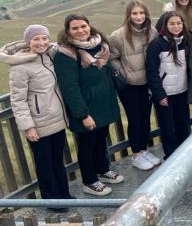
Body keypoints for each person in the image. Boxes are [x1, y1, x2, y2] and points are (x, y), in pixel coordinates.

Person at [1, 25, 73, 206]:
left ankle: (64, 195)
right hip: (38, 125)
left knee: (57, 160)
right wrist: (28, 127)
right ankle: (52, 201)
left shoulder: (49, 56)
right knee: (44, 164)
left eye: (44, 38)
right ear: (28, 42)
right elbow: (18, 100)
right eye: (36, 39)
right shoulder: (20, 66)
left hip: (56, 120)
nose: (41, 42)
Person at [54, 14, 124, 196]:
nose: (80, 31)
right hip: (86, 108)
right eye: (75, 28)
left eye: (83, 26)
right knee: (87, 144)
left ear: (89, 27)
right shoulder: (66, 54)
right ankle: (89, 180)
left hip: (102, 104)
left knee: (101, 139)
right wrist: (83, 114)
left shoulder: (99, 46)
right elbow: (70, 88)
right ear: (67, 31)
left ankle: (103, 169)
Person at [108, 0, 159, 171]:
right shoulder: (118, 36)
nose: (139, 16)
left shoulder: (152, 31)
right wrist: (123, 73)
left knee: (145, 117)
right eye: (135, 13)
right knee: (135, 119)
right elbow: (111, 57)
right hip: (130, 86)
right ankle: (136, 155)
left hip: (147, 83)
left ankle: (144, 150)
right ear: (129, 15)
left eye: (142, 13)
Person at [145, 11, 191, 159]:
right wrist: (160, 94)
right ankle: (171, 156)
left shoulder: (186, 41)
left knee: (183, 123)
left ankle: (185, 153)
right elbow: (151, 72)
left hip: (182, 91)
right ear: (165, 25)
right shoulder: (157, 44)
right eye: (172, 23)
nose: (176, 26)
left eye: (179, 23)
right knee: (168, 127)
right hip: (165, 94)